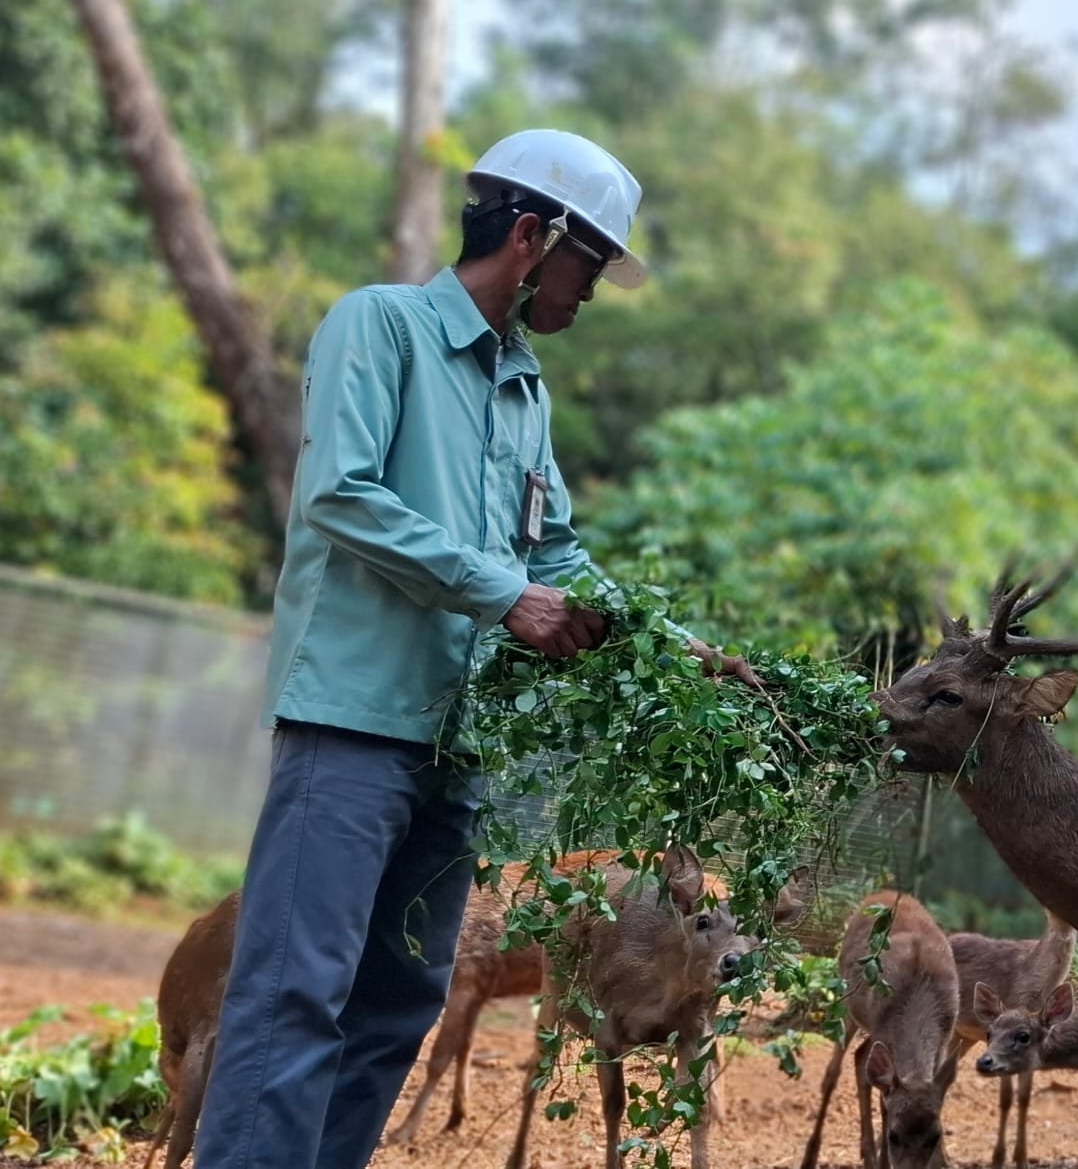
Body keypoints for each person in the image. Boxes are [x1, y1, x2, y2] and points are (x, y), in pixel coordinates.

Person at [190, 129, 748, 1169]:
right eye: (590, 267)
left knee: (399, 1002)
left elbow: (557, 553)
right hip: (351, 728)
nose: (589, 297)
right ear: (533, 238)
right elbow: (342, 494)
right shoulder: (379, 327)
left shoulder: (523, 391)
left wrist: (671, 651)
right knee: (295, 992)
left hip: (457, 746)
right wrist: (507, 597)